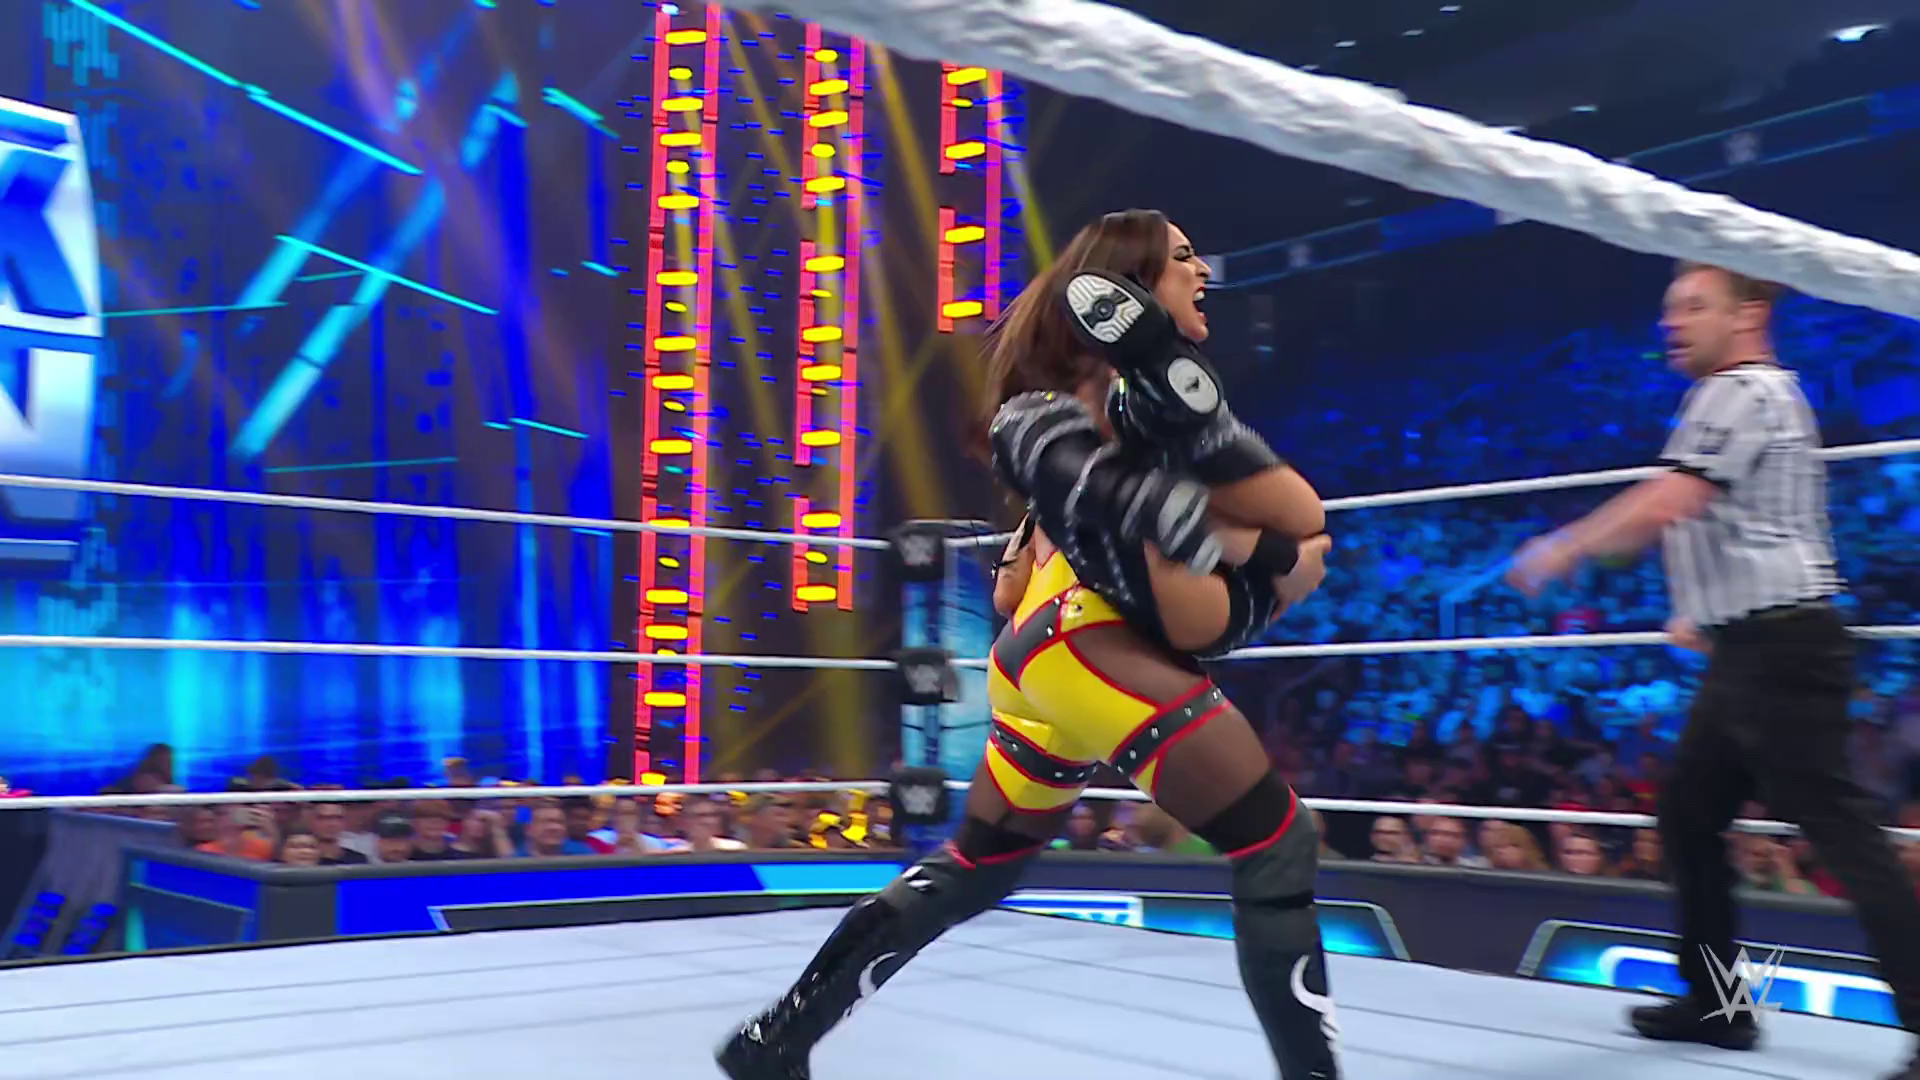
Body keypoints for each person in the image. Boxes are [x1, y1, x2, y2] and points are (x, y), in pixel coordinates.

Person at [717, 209, 1338, 1080]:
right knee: (1276, 841)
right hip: (1088, 648)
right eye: (1184, 259)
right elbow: (1264, 528)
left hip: (1041, 658)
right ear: (1130, 287)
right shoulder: (1089, 416)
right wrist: (1258, 551)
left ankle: (776, 1039)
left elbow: (1017, 585)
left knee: (978, 864)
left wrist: (1235, 539)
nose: (1204, 273)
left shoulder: (1104, 413)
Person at [1508, 260, 1920, 1079]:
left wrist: (1566, 545)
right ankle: (1716, 1003)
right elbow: (1748, 521)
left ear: (1747, 316)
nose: (1672, 322)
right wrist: (1707, 611)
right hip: (1754, 645)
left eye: (1694, 306)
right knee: (1690, 816)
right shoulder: (1750, 397)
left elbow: (1673, 501)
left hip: (1782, 650)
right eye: (1670, 309)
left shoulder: (1742, 390)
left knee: (1842, 833)